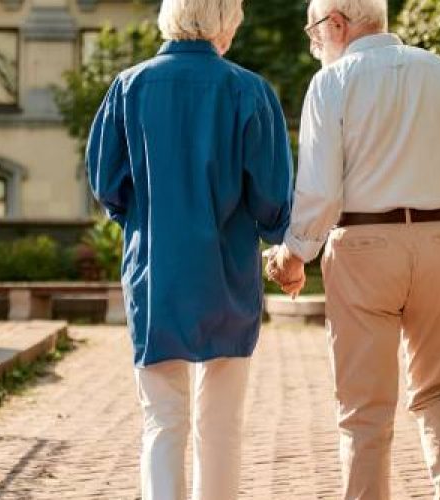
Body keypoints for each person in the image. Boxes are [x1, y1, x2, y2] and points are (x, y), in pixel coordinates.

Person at [266, 0, 440, 498]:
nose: (314, 46)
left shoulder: (332, 83)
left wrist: (292, 256)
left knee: (364, 408)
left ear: (336, 24)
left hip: (364, 246)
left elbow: (320, 192)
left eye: (314, 33)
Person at [85, 0, 294, 498]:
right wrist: (282, 242)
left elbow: (105, 182)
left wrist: (139, 219)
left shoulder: (128, 88)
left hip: (155, 275)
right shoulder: (249, 90)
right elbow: (271, 197)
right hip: (225, 277)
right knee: (220, 425)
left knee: (162, 421)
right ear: (224, 24)